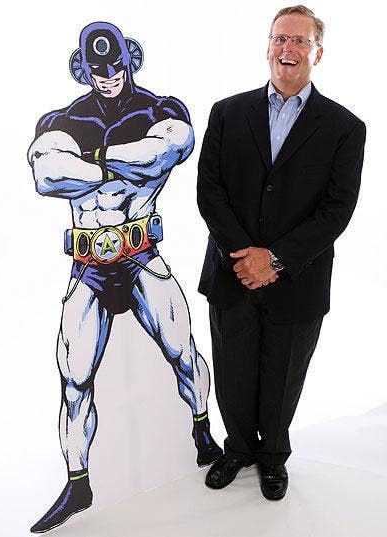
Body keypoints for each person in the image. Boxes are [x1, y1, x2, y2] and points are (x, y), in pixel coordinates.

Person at [27, 21, 221, 533]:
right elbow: (47, 173)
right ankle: (78, 485)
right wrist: (124, 164)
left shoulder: (161, 110)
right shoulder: (63, 120)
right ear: (84, 69)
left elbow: (163, 153)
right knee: (74, 379)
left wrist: (87, 162)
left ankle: (203, 434)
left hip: (141, 257)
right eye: (98, 68)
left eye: (115, 64)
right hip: (89, 266)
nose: (109, 75)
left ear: (129, 59)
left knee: (183, 352)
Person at [197, 5, 366, 500]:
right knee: (233, 370)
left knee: (283, 373)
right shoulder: (227, 113)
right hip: (231, 272)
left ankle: (272, 456)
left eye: (299, 41)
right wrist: (243, 254)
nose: (287, 49)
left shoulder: (345, 128)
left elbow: (337, 210)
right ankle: (238, 450)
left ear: (318, 53)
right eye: (279, 39)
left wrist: (274, 259)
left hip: (297, 279)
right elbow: (210, 192)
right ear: (268, 46)